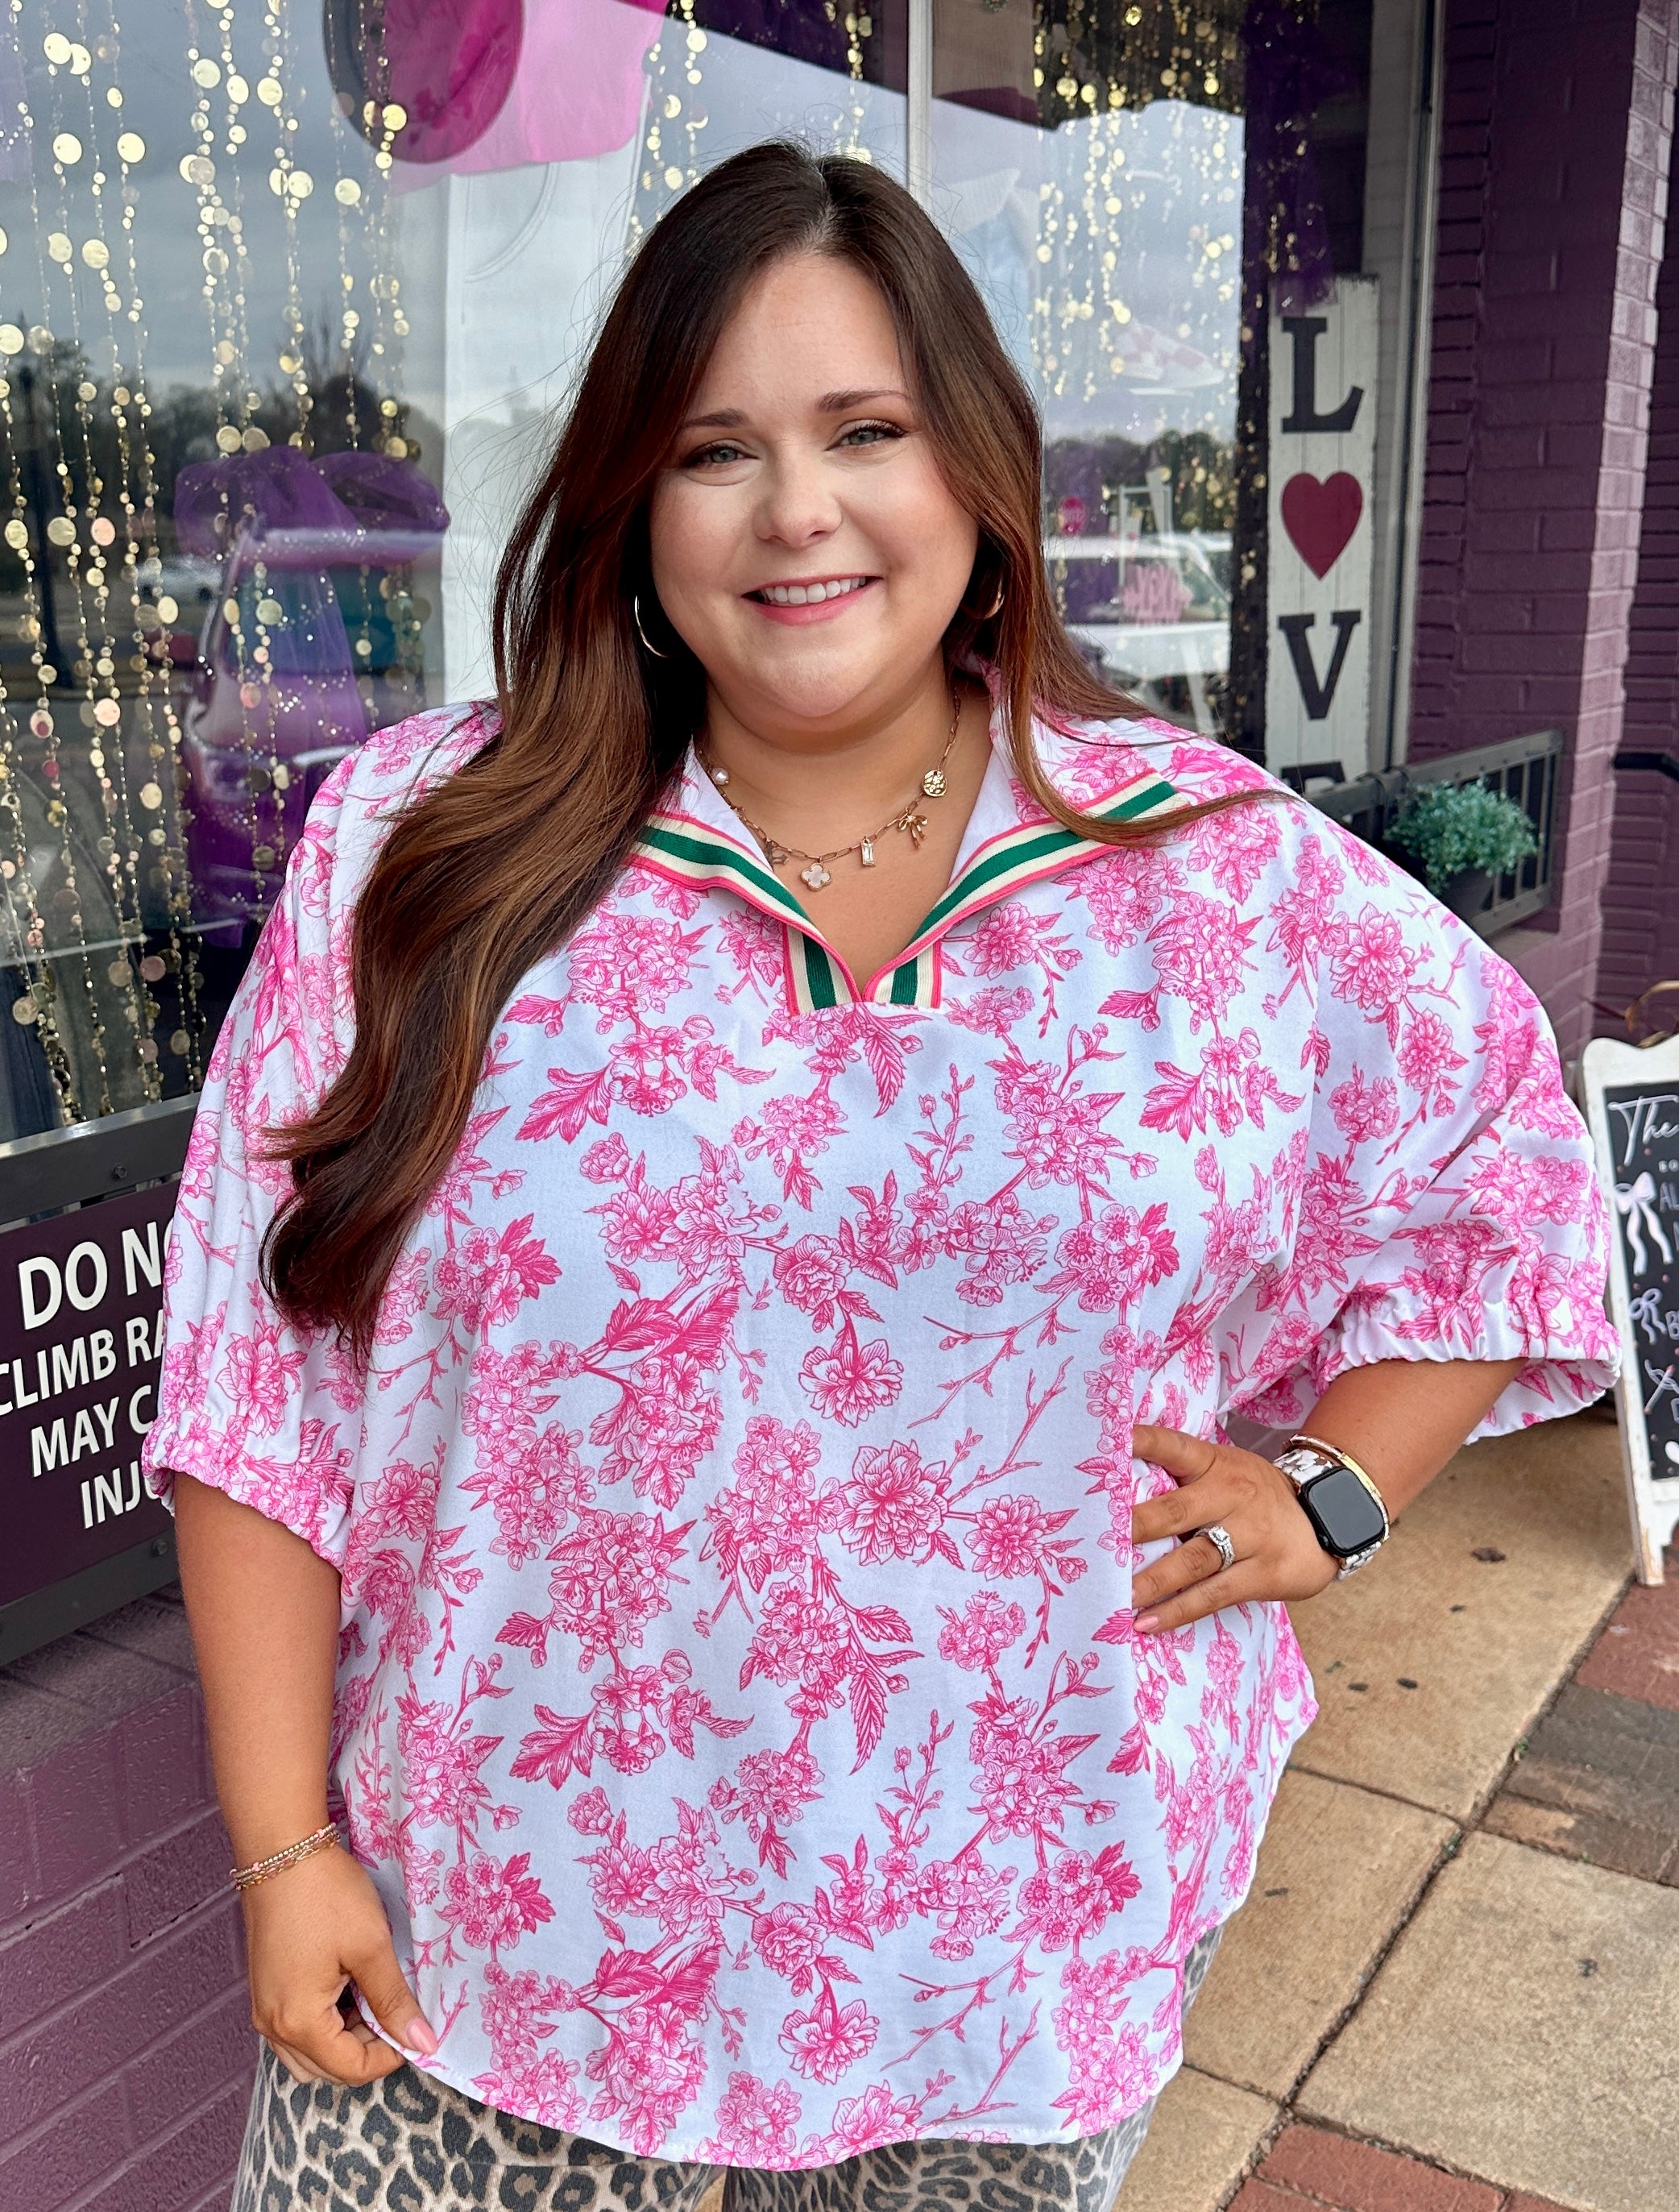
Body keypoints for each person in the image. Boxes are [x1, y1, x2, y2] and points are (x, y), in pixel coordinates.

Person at [147, 142, 1618, 2212]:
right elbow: (253, 1372)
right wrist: (283, 1847)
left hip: (1010, 1944)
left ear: (977, 475)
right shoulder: (424, 852)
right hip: (484, 1943)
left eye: (865, 431)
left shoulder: (1200, 871)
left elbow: (1497, 1166)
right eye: (712, 449)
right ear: (630, 508)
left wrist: (1338, 1482)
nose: (797, 510)